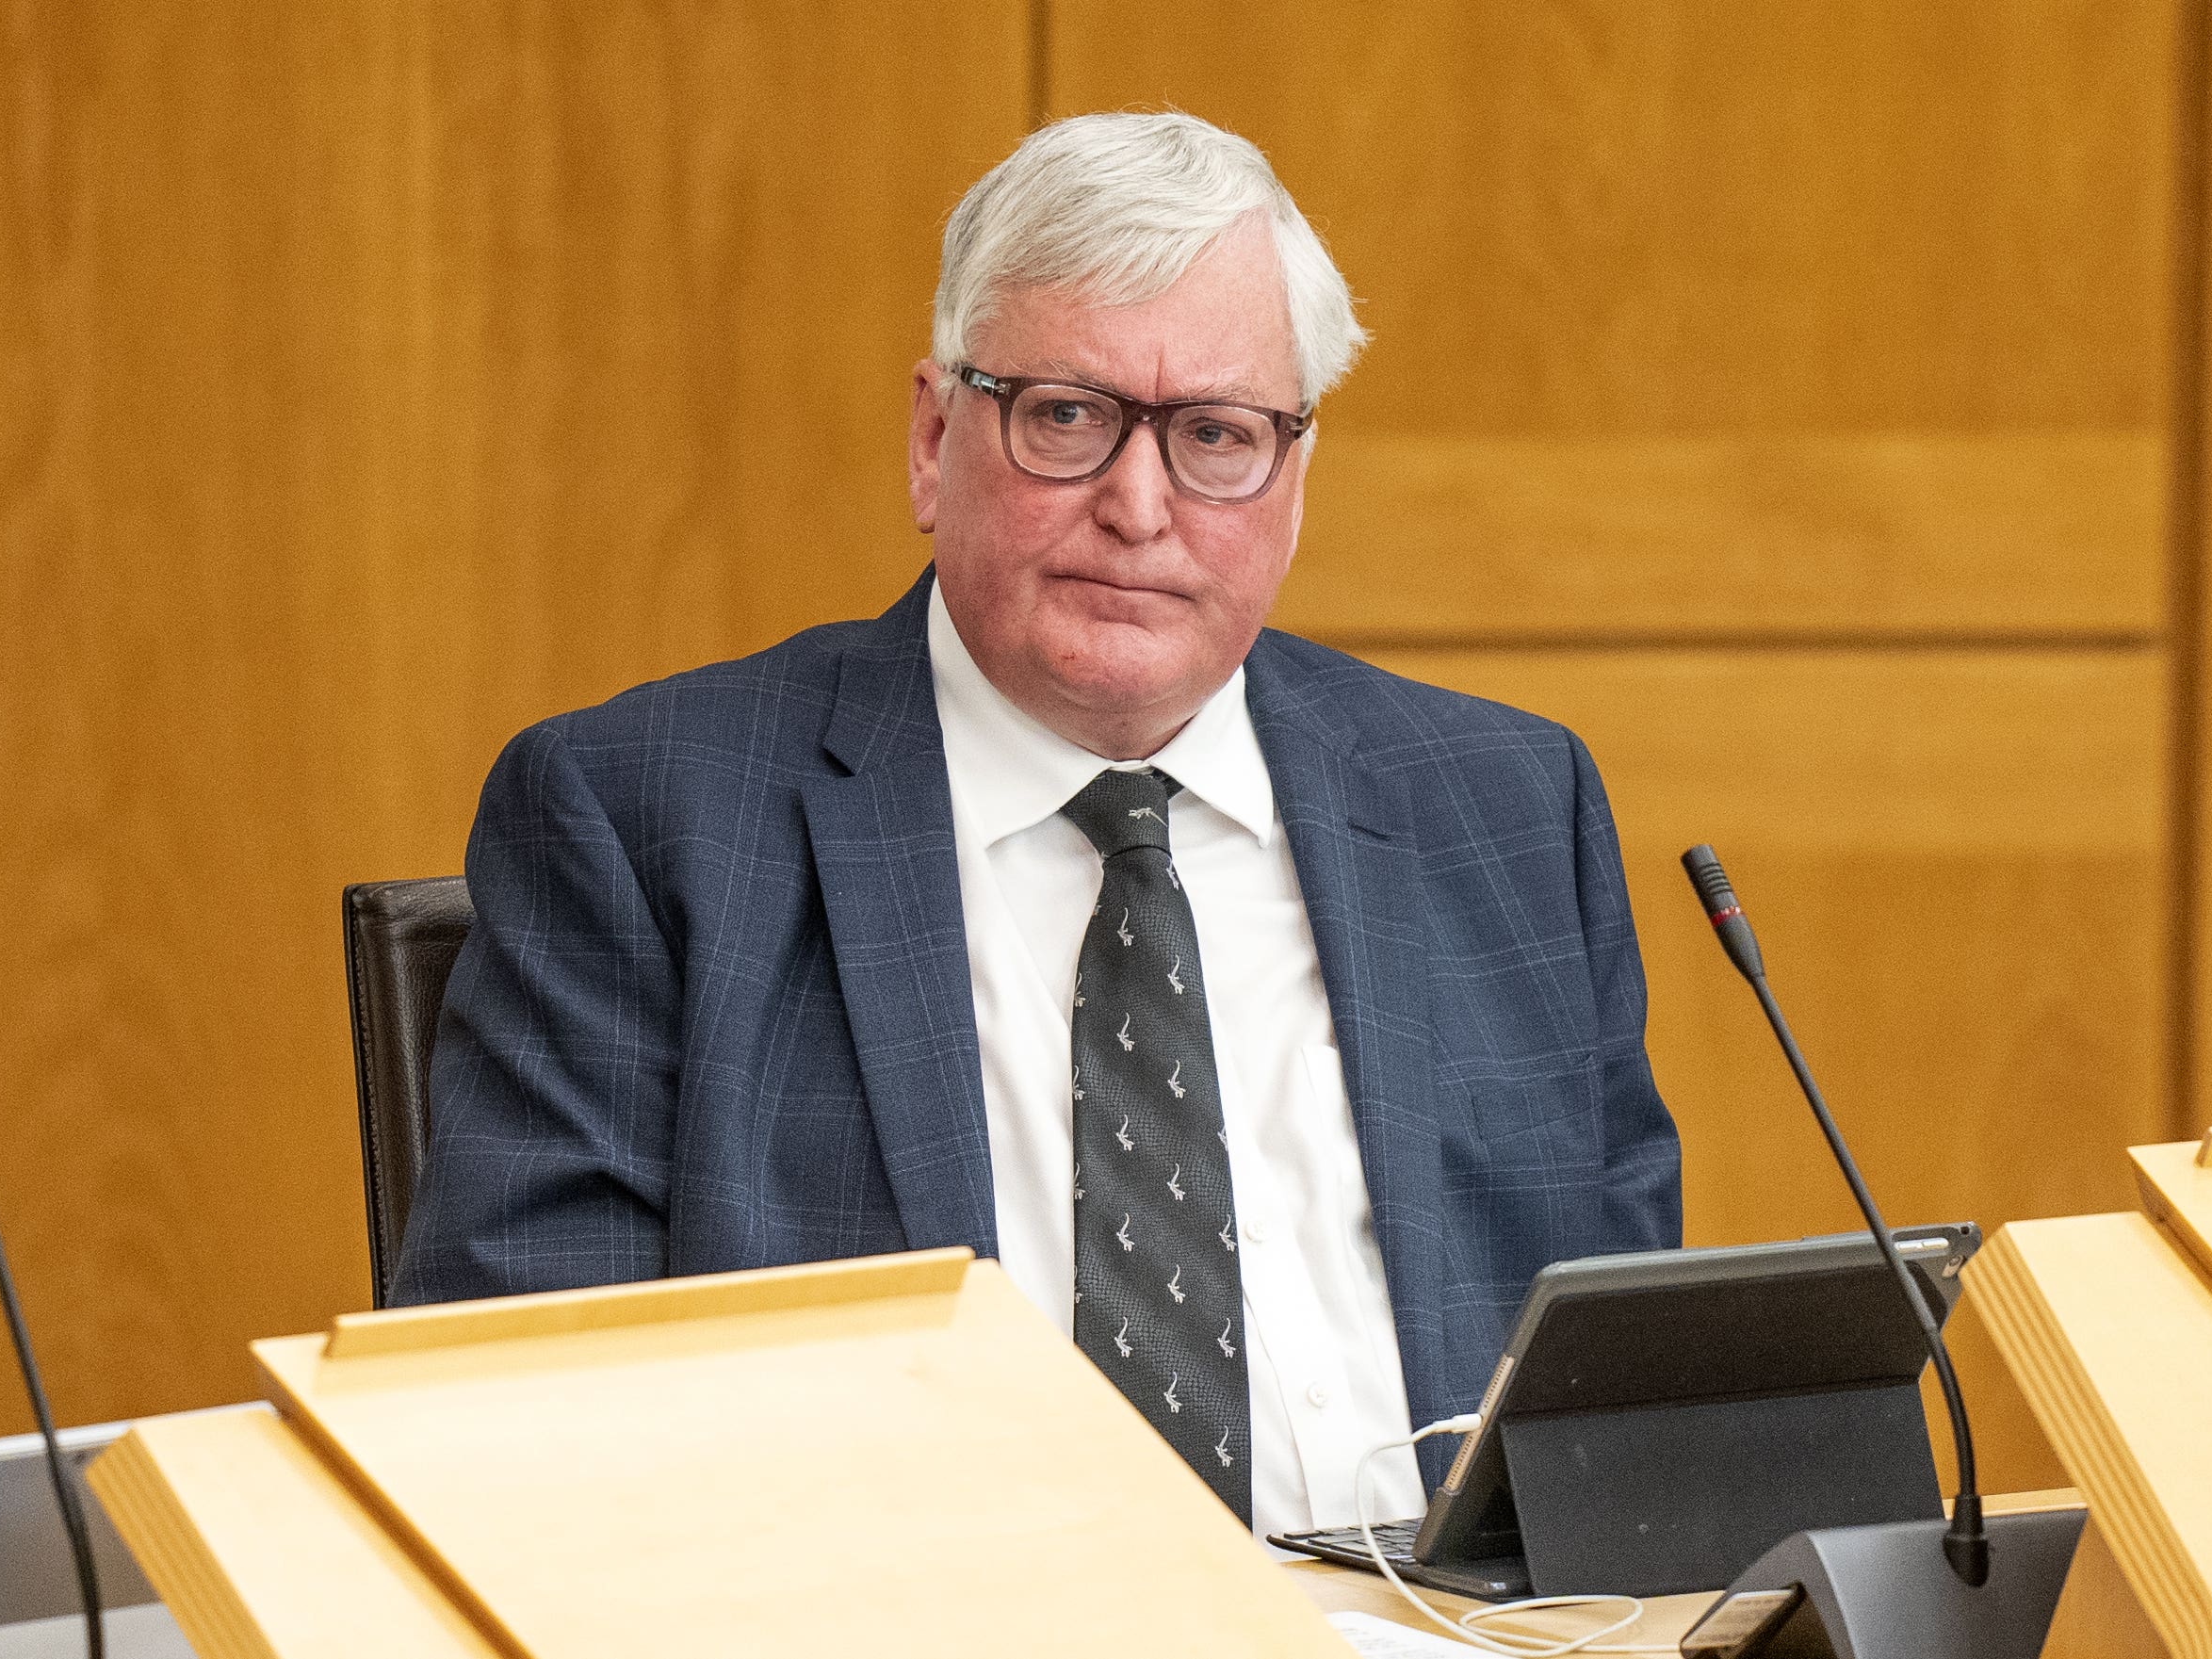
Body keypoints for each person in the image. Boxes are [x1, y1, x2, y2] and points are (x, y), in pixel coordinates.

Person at [392, 111, 1680, 1539]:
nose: (1140, 505)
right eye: (1065, 415)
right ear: (937, 438)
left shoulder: (1501, 809)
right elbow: (521, 1433)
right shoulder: (644, 819)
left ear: (1293, 478)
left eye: (1216, 436)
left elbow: (1617, 1428)